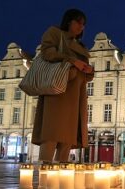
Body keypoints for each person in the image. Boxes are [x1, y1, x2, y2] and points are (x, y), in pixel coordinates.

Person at [32, 9, 94, 163]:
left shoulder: (81, 46)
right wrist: (72, 61)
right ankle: (42, 178)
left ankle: (60, 180)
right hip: (56, 92)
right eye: (78, 22)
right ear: (69, 21)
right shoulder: (54, 33)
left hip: (76, 96)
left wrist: (89, 70)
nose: (82, 26)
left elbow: (86, 76)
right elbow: (47, 53)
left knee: (67, 140)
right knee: (51, 136)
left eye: (84, 24)